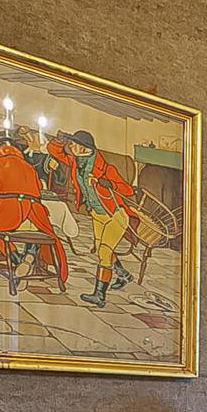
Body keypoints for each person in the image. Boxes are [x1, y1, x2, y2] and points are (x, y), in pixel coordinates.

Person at [48, 129, 141, 308]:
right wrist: (59, 141)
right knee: (101, 249)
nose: (71, 146)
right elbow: (55, 151)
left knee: (104, 253)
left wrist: (109, 184)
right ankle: (124, 275)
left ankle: (100, 295)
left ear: (84, 148)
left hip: (115, 215)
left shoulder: (105, 168)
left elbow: (128, 190)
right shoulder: (76, 161)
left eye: (74, 144)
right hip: (97, 214)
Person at [0, 131, 69, 292]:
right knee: (38, 230)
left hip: (11, 211)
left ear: (1, 150)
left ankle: (16, 261)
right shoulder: (29, 167)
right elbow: (38, 189)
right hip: (35, 213)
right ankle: (28, 258)